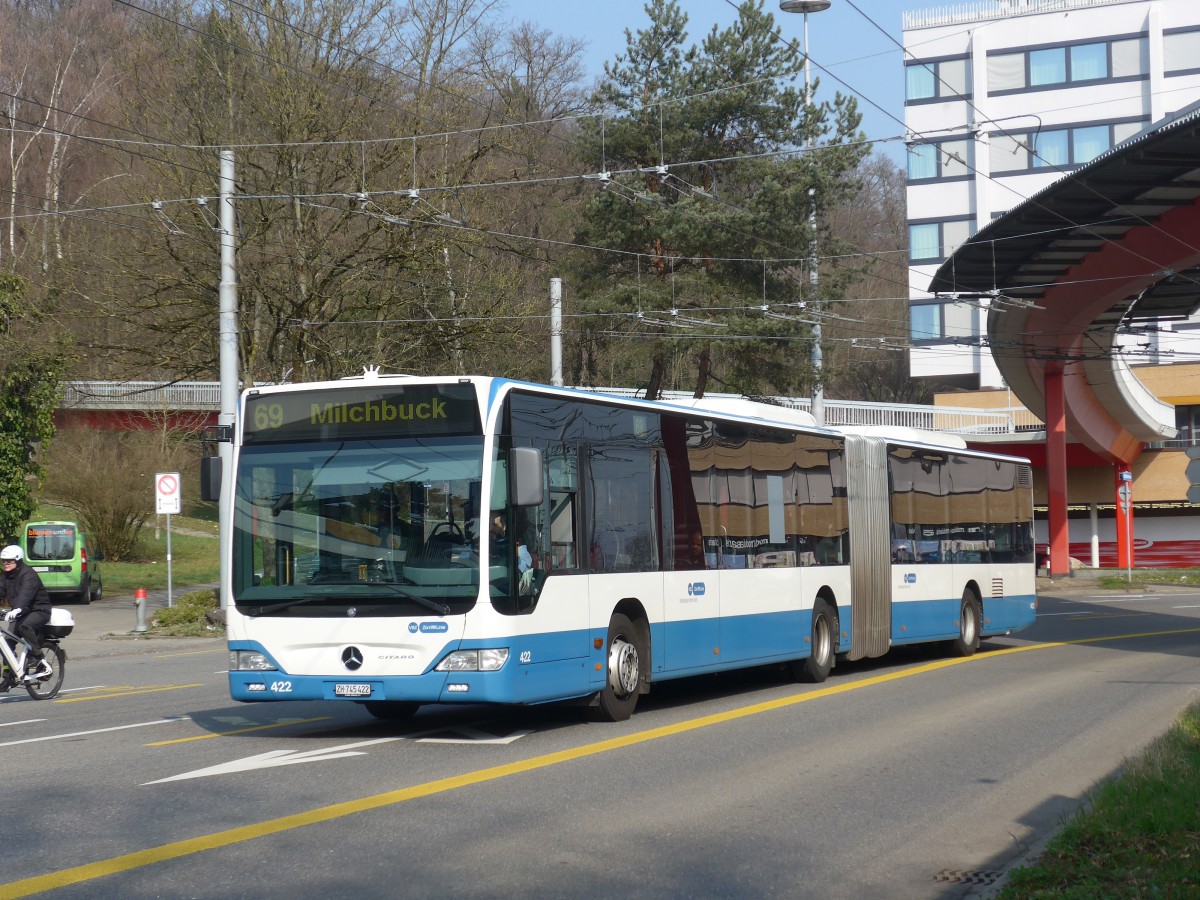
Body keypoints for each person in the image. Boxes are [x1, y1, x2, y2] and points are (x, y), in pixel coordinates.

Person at [0, 545, 53, 681]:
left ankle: (38, 657)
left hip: (39, 610)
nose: (5, 563)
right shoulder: (5, 576)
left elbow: (26, 594)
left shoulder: (29, 574)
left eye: (9, 561)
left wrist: (18, 608)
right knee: (6, 645)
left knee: (25, 627)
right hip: (20, 613)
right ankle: (8, 678)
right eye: (3, 561)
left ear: (18, 561)